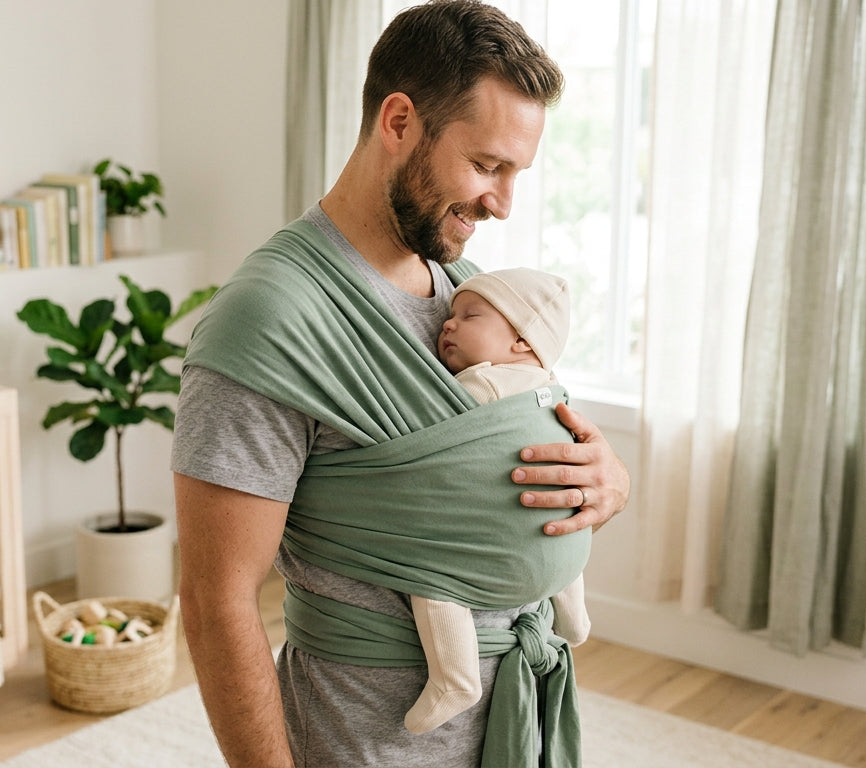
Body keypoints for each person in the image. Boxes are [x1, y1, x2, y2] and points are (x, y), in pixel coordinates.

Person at [172, 2, 632, 766]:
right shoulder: (270, 320)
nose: (502, 203)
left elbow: (523, 426)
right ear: (398, 122)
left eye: (516, 173)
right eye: (487, 165)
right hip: (370, 742)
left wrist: (606, 478)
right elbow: (217, 604)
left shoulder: (466, 287)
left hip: (512, 724)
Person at [406, 266, 592, 735]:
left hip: (497, 545)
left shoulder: (483, 385)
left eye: (470, 316)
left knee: (428, 570)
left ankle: (455, 676)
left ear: (522, 343)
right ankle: (574, 618)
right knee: (562, 517)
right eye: (451, 315)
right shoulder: (553, 388)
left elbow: (424, 436)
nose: (448, 324)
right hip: (557, 552)